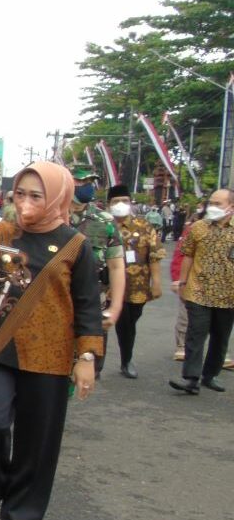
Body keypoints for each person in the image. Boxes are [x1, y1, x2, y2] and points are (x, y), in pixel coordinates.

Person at [0, 162, 102, 520]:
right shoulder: (1, 231)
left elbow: (86, 305)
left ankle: (20, 514)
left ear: (56, 197)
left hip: (50, 356)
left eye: (36, 195)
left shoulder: (75, 245)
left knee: (38, 440)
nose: (26, 202)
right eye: (20, 193)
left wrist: (86, 358)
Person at [170, 189, 234, 395]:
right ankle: (191, 378)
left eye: (218, 204)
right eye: (211, 203)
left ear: (231, 207)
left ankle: (210, 375)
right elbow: (187, 255)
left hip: (228, 295)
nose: (212, 207)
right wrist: (183, 281)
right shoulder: (198, 227)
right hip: (198, 291)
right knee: (195, 334)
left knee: (220, 337)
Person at [68, 167, 125, 376]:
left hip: (92, 307)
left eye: (90, 182)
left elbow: (117, 266)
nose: (87, 187)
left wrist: (116, 307)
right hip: (54, 305)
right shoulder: (50, 216)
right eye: (81, 182)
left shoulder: (104, 221)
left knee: (88, 366)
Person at [106, 185, 165, 379]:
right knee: (99, 324)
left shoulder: (144, 226)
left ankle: (126, 360)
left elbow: (154, 256)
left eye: (124, 201)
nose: (120, 205)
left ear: (131, 203)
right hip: (105, 286)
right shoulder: (103, 225)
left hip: (135, 286)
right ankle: (94, 363)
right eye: (115, 201)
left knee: (128, 325)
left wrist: (156, 282)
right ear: (108, 205)